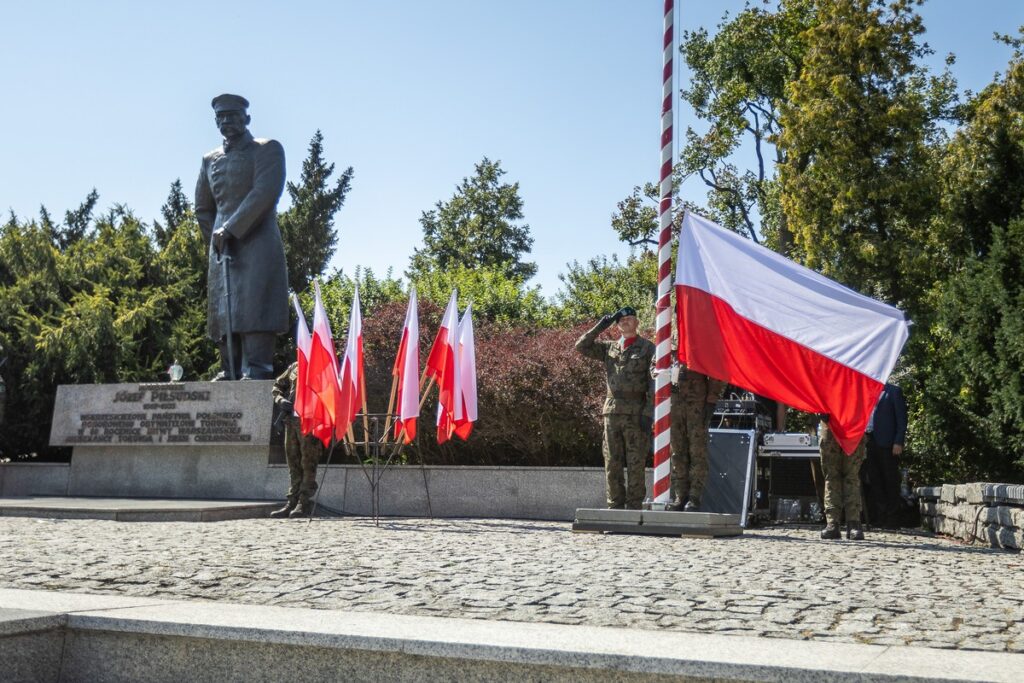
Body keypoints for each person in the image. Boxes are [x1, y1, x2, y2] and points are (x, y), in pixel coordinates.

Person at [195, 94, 289, 380]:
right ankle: (229, 367)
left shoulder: (267, 150)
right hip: (221, 248)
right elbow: (202, 207)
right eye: (221, 117)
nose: (227, 121)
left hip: (256, 240)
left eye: (233, 115)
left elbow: (265, 193)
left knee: (254, 304)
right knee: (224, 308)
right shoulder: (209, 160)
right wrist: (215, 238)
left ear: (246, 118)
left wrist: (232, 229)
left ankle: (258, 369)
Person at [576, 307, 655, 509]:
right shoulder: (609, 348)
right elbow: (581, 346)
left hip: (636, 412)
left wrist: (649, 413)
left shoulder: (648, 348)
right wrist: (600, 327)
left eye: (629, 319)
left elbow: (653, 383)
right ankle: (614, 505)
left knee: (636, 462)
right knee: (612, 461)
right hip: (612, 411)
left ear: (637, 322)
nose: (625, 322)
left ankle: (634, 505)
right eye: (621, 320)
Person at [667, 363, 726, 511]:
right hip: (674, 400)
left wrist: (712, 399)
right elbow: (656, 364)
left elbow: (715, 368)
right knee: (677, 451)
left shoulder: (701, 340)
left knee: (697, 451)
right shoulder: (669, 340)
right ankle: (680, 495)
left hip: (697, 401)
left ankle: (694, 497)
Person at [270, 361, 323, 518]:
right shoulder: (295, 365)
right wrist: (280, 400)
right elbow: (277, 385)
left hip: (311, 420)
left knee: (308, 462)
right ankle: (292, 501)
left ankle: (303, 502)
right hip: (292, 421)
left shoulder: (322, 361)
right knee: (293, 462)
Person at [863, 383, 908, 527]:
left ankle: (893, 519)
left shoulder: (893, 391)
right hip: (869, 440)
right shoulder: (866, 390)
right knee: (875, 480)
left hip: (888, 443)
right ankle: (879, 516)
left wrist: (898, 441)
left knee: (890, 481)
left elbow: (902, 419)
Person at [818, 417, 867, 540]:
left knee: (851, 476)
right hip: (830, 425)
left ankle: (853, 523)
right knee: (831, 477)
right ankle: (832, 523)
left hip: (853, 425)